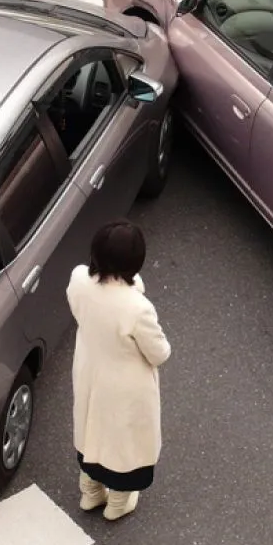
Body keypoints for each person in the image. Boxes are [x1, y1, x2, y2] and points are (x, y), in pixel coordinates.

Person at [66, 219, 171, 521]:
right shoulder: (138, 308)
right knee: (124, 443)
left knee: (91, 430)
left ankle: (90, 492)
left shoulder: (78, 281)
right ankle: (118, 503)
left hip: (89, 369)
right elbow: (159, 353)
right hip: (126, 386)